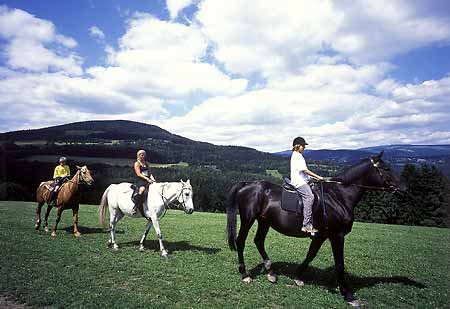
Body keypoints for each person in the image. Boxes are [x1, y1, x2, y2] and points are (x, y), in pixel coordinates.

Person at [290, 137, 323, 234]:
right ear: (297, 146)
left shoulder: (297, 155)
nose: (304, 147)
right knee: (310, 197)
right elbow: (305, 170)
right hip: (299, 182)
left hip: (303, 180)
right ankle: (306, 225)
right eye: (303, 145)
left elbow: (303, 173)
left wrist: (312, 179)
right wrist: (318, 177)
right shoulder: (297, 156)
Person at [132, 149, 156, 215]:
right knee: (142, 189)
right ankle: (135, 207)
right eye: (141, 155)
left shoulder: (146, 163)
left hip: (148, 179)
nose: (143, 156)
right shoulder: (137, 163)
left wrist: (153, 180)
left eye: (144, 155)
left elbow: (150, 173)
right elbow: (138, 174)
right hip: (140, 180)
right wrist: (147, 179)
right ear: (138, 155)